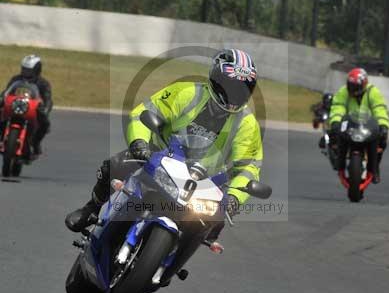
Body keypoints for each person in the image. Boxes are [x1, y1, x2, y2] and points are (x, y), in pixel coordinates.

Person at [65, 48, 263, 236]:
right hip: (157, 157)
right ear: (214, 79)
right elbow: (145, 113)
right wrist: (139, 143)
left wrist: (235, 197)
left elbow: (248, 167)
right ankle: (91, 209)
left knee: (213, 224)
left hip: (202, 182)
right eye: (229, 85)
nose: (233, 93)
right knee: (116, 165)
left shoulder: (246, 123)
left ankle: (171, 261)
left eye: (242, 88)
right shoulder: (187, 93)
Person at [329, 68, 389, 184]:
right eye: (350, 86)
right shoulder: (343, 91)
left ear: (364, 84)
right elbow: (338, 106)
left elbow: (379, 109)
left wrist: (383, 125)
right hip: (349, 125)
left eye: (356, 87)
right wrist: (336, 122)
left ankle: (375, 167)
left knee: (382, 141)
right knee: (334, 136)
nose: (352, 89)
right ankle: (339, 163)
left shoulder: (373, 92)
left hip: (368, 126)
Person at [0, 55, 52, 155]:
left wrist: (45, 109)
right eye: (24, 69)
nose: (25, 73)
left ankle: (35, 144)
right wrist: (2, 98)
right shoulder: (16, 79)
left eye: (28, 70)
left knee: (45, 124)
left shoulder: (43, 83)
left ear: (37, 70)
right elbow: (7, 91)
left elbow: (48, 99)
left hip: (33, 109)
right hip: (15, 105)